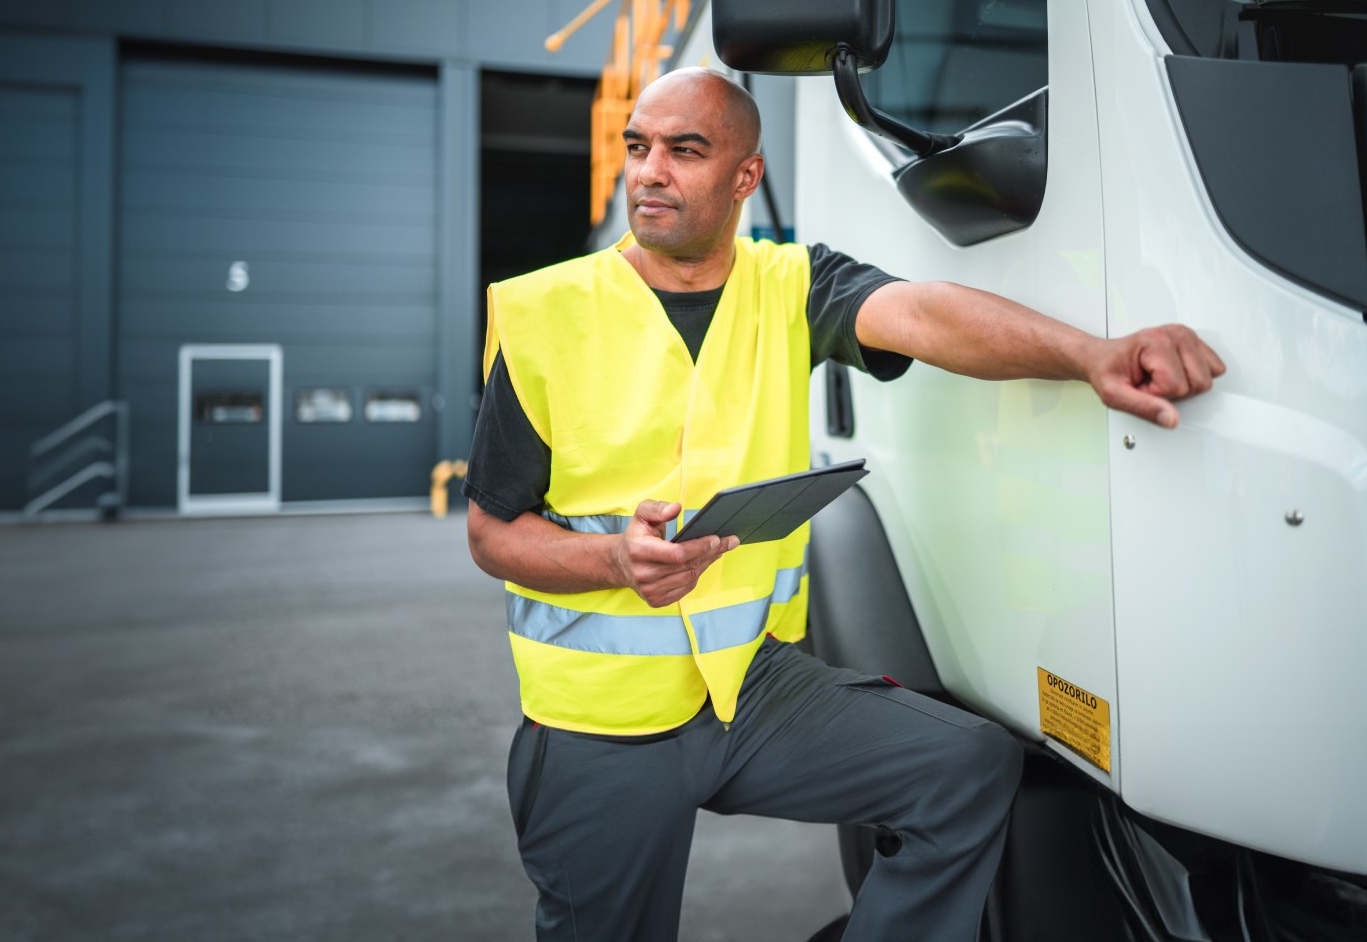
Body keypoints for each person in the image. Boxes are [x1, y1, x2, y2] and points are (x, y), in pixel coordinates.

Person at [465, 68, 1223, 942]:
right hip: (603, 722)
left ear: (746, 177)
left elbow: (929, 315)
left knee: (967, 766)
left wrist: (1091, 356)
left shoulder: (789, 285)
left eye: (684, 150)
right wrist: (612, 561)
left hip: (755, 691)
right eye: (638, 147)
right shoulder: (547, 314)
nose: (649, 172)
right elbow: (490, 531)